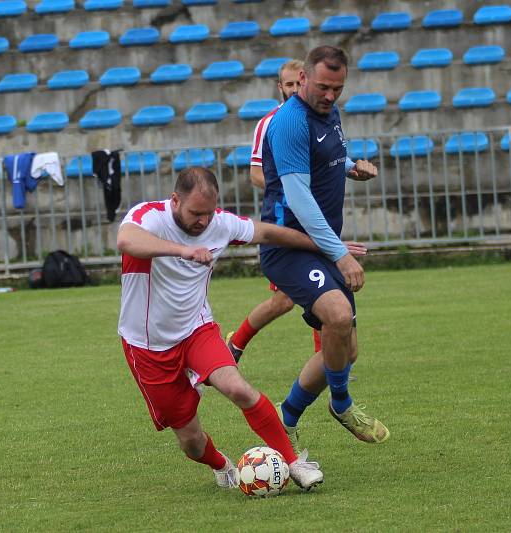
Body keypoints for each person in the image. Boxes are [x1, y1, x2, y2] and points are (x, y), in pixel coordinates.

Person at [116, 167, 363, 491]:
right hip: (147, 345)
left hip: (196, 330)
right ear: (175, 200)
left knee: (238, 388)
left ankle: (294, 463)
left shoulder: (218, 224)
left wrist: (330, 247)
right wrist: (183, 250)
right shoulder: (149, 216)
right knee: (191, 441)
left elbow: (271, 234)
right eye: (195, 213)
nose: (203, 222)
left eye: (208, 213)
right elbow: (127, 240)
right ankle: (221, 464)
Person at [259, 45, 390, 451]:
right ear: (302, 81)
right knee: (336, 316)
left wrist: (352, 167)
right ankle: (341, 403)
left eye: (338, 88)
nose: (330, 95)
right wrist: (341, 254)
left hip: (320, 245)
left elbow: (329, 155)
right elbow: (298, 198)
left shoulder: (328, 112)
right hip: (289, 246)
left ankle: (287, 418)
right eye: (322, 87)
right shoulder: (289, 123)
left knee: (345, 350)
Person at [226, 59, 324, 362]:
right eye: (289, 84)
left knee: (323, 288)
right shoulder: (270, 122)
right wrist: (291, 187)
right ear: (280, 87)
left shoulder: (317, 120)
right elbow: (255, 174)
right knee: (284, 300)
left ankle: (327, 361)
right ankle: (235, 343)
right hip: (284, 223)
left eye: (299, 83)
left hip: (315, 218)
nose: (295, 89)